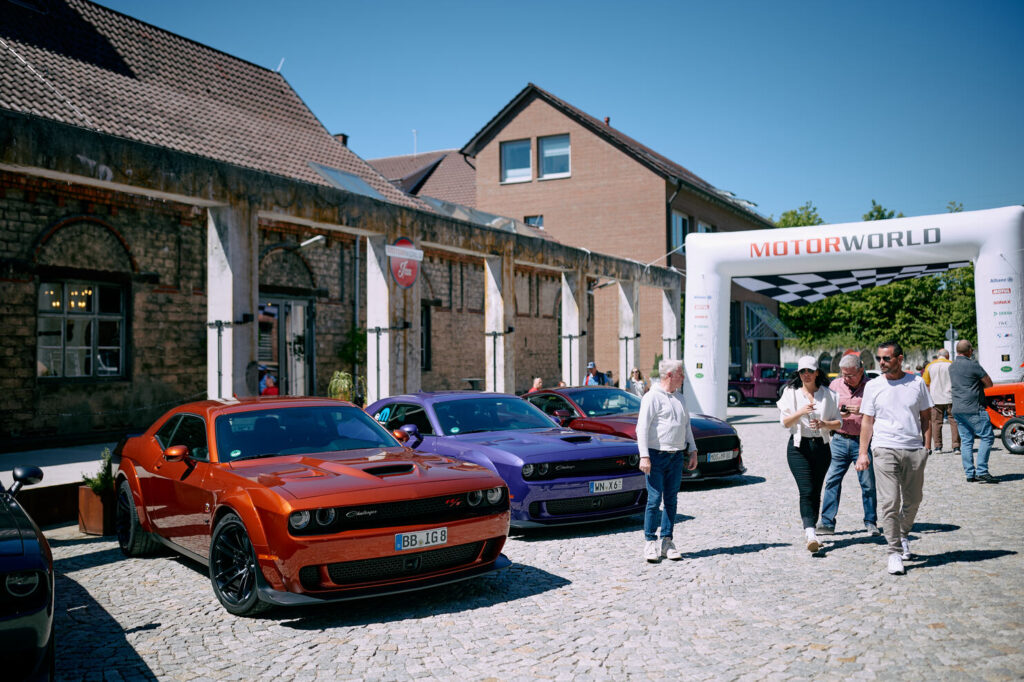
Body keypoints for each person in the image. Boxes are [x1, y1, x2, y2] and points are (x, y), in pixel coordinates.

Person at [856, 340, 933, 575]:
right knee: (890, 502)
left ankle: (902, 534)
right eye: (879, 358)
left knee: (914, 499)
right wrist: (863, 453)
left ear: (900, 359)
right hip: (884, 448)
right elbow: (867, 421)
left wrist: (926, 448)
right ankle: (893, 553)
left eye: (886, 358)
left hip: (913, 449)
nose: (881, 362)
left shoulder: (917, 383)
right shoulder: (873, 386)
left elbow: (926, 417)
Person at [777, 355, 841, 553]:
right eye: (802, 371)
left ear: (817, 373)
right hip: (798, 448)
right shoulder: (791, 393)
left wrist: (824, 424)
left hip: (821, 447)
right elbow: (785, 422)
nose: (806, 375)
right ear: (798, 373)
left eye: (809, 371)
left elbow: (838, 423)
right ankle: (810, 533)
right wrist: (800, 412)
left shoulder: (828, 395)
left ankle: (812, 528)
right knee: (805, 491)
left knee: (815, 491)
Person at [636, 359, 698, 563]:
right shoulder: (651, 397)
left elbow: (686, 425)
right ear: (670, 375)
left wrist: (693, 449)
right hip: (655, 456)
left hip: (676, 456)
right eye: (680, 373)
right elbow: (641, 429)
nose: (683, 377)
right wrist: (644, 456)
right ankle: (649, 542)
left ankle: (667, 541)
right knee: (654, 501)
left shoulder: (680, 398)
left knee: (671, 500)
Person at [818, 354, 879, 537]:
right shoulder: (835, 385)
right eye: (843, 374)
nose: (846, 378)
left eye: (850, 375)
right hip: (839, 440)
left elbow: (882, 413)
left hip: (862, 442)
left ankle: (871, 522)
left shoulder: (872, 386)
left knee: (867, 484)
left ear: (861, 370)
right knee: (831, 481)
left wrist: (864, 411)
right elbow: (826, 411)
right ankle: (827, 522)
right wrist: (839, 413)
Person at [949, 340, 997, 484]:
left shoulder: (952, 367)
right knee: (987, 437)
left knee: (967, 441)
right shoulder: (973, 365)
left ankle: (970, 473)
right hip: (973, 407)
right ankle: (982, 471)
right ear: (970, 350)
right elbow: (989, 383)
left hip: (957, 408)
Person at [922, 349, 960, 455]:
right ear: (947, 356)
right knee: (954, 422)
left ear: (938, 356)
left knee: (936, 423)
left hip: (935, 398)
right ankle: (956, 446)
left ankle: (938, 447)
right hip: (950, 397)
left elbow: (926, 382)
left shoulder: (929, 366)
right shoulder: (952, 364)